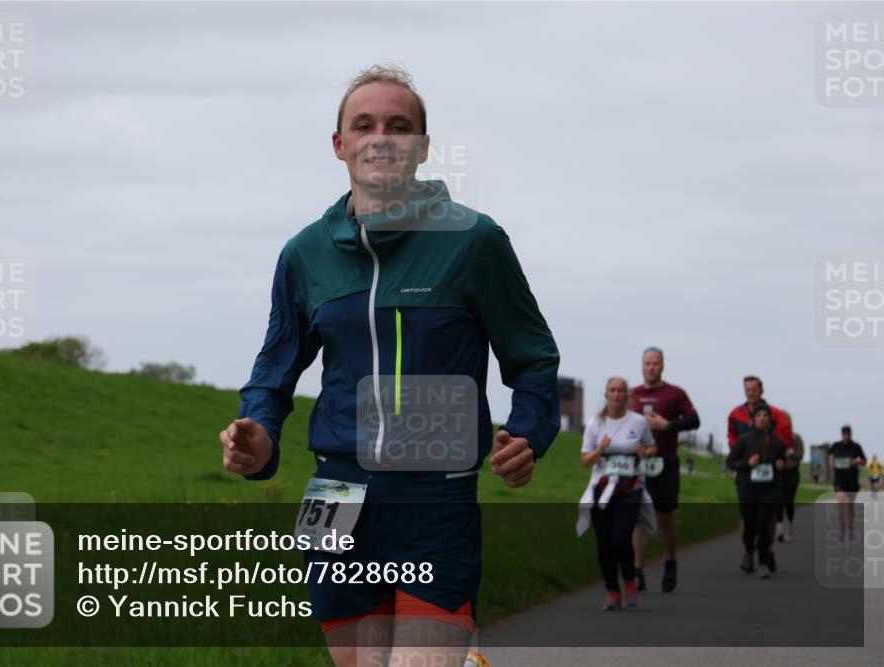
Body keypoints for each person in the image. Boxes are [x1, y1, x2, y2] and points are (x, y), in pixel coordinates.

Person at [220, 64, 561, 667]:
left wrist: (529, 433)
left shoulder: (474, 241)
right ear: (340, 144)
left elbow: (533, 359)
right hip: (333, 496)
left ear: (423, 148)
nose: (381, 138)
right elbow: (273, 374)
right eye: (364, 125)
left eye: (398, 126)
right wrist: (259, 439)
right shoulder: (304, 254)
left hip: (435, 500)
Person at [577, 377, 657, 610]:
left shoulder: (638, 422)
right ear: (606, 394)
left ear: (627, 395)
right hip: (601, 488)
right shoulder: (595, 423)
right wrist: (601, 448)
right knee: (604, 544)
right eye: (612, 390)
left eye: (621, 390)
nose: (617, 394)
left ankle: (629, 581)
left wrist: (646, 452)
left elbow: (653, 447)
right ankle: (612, 591)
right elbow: (585, 461)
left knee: (620, 538)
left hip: (630, 488)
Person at [629, 347, 700, 593]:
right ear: (642, 365)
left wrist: (667, 425)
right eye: (647, 363)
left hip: (665, 463)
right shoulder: (632, 395)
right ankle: (637, 570)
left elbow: (694, 420)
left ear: (662, 366)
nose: (651, 367)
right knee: (639, 516)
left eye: (655, 363)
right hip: (638, 464)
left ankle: (670, 562)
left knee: (664, 518)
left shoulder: (675, 393)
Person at [727, 375, 793, 572]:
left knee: (767, 517)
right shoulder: (736, 414)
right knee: (747, 517)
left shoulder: (775, 413)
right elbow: (731, 436)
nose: (751, 393)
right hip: (745, 470)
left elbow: (785, 435)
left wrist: (771, 450)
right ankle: (748, 551)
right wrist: (742, 454)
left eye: (754, 389)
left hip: (769, 473)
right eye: (747, 389)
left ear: (761, 390)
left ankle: (767, 550)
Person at [828, 425, 867, 541]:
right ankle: (842, 530)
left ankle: (850, 529)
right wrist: (831, 462)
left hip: (852, 480)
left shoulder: (856, 446)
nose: (846, 436)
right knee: (841, 502)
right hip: (839, 479)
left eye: (848, 434)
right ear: (842, 434)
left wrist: (856, 461)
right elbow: (830, 456)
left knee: (850, 505)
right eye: (844, 434)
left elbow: (864, 461)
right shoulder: (836, 445)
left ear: (851, 434)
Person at [776, 421, 804, 543]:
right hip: (779, 473)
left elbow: (800, 454)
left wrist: (791, 453)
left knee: (788, 501)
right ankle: (780, 529)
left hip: (792, 473)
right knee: (778, 500)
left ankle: (790, 524)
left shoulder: (796, 438)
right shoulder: (775, 437)